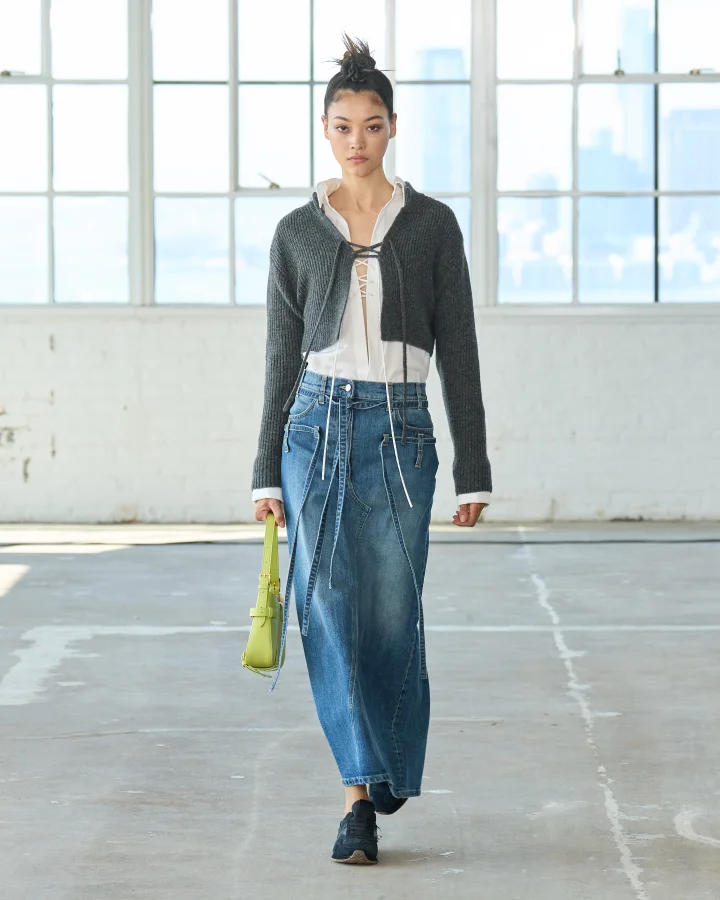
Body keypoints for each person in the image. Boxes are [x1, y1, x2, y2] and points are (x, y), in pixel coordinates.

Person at [250, 33, 492, 865]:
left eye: (373, 125)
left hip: (401, 432)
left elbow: (457, 347)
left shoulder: (430, 226)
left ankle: (386, 761)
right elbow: (281, 360)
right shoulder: (295, 232)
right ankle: (359, 796)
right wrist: (262, 477)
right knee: (325, 614)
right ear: (326, 131)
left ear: (394, 128)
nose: (359, 141)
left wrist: (476, 469)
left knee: (392, 613)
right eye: (344, 126)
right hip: (312, 431)